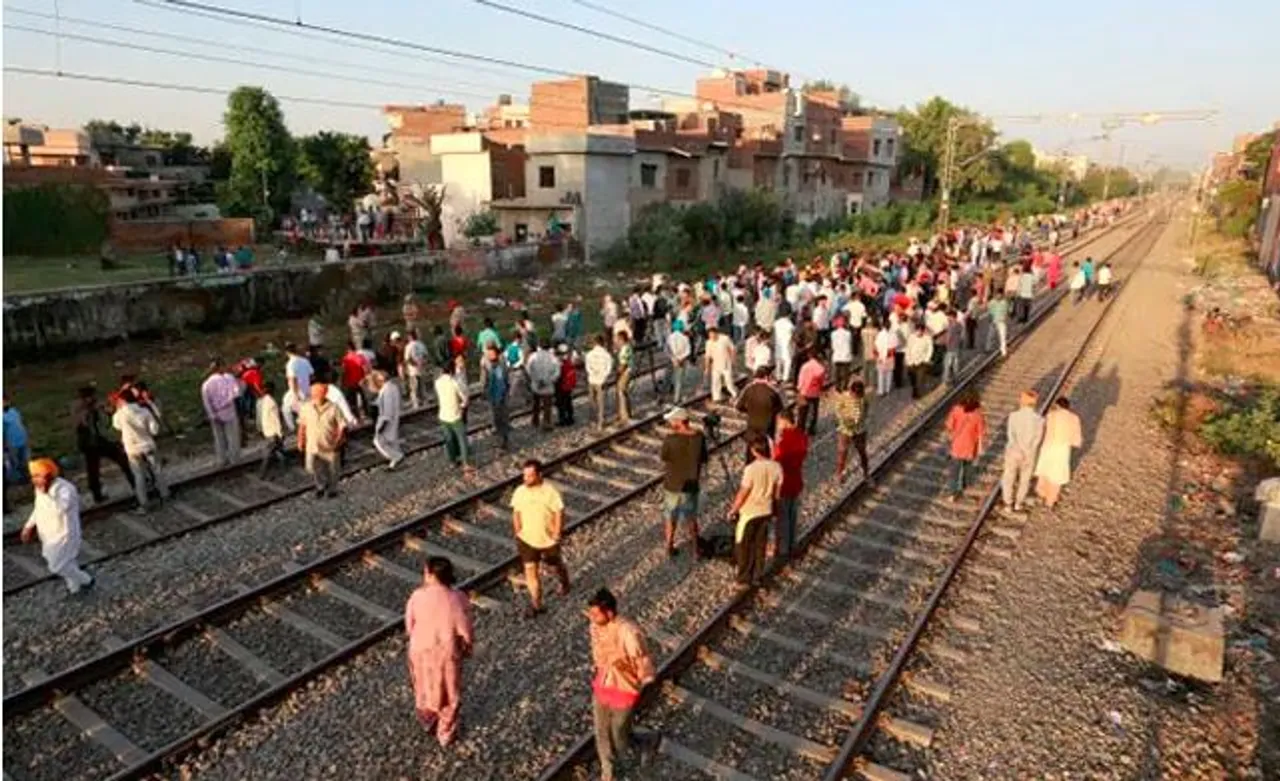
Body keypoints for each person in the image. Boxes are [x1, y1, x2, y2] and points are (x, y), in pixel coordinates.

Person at [587, 587, 657, 781]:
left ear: (609, 612)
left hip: (624, 687)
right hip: (603, 683)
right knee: (601, 731)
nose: (591, 617)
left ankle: (645, 741)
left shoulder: (628, 631)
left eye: (595, 613)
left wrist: (644, 680)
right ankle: (608, 773)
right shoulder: (594, 626)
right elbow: (597, 653)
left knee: (619, 734)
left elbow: (642, 660)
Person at [405, 556, 474, 748]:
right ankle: (445, 731)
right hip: (446, 653)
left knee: (423, 687)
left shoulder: (417, 596)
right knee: (449, 691)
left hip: (420, 650)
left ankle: (427, 720)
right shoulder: (458, 598)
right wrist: (468, 647)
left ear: (430, 574)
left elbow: (409, 626)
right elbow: (465, 629)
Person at [21, 459, 95, 594]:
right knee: (67, 562)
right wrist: (28, 526)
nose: (34, 479)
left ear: (48, 475)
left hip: (64, 534)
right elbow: (38, 509)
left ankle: (86, 580)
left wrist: (46, 492)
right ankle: (75, 589)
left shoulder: (65, 488)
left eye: (38, 476)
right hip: (48, 534)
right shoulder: (39, 490)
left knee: (56, 566)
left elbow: (61, 508)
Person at [511, 459, 570, 617]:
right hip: (526, 539)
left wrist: (557, 532)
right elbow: (516, 511)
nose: (526, 479)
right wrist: (517, 530)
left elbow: (559, 512)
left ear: (539, 475)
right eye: (525, 475)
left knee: (555, 565)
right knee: (530, 571)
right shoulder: (519, 491)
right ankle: (536, 604)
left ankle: (564, 582)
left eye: (530, 476)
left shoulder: (550, 492)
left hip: (548, 539)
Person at [726, 435, 782, 585]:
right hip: (766, 510)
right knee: (760, 544)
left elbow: (743, 493)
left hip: (749, 513)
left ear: (754, 451)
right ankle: (758, 574)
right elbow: (777, 493)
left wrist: (733, 510)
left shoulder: (750, 469)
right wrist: (775, 511)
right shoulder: (777, 467)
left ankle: (744, 575)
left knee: (743, 543)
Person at [659, 407, 708, 558]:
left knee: (670, 516)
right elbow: (704, 458)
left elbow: (664, 457)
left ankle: (669, 546)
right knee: (691, 519)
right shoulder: (699, 438)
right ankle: (695, 549)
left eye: (672, 420)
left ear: (680, 422)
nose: (670, 422)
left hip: (672, 484)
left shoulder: (670, 439)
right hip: (691, 485)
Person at [72, 386, 134, 504]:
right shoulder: (81, 409)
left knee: (96, 468)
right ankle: (98, 494)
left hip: (96, 441)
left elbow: (107, 416)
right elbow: (84, 423)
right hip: (91, 442)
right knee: (95, 469)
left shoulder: (88, 406)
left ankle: (98, 495)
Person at [111, 389, 167, 512]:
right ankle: (165, 494)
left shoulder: (120, 414)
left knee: (138, 476)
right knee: (157, 470)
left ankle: (144, 503)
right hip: (148, 445)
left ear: (123, 400)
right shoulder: (144, 411)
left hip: (132, 449)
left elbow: (116, 426)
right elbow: (154, 430)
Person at [297, 382, 346, 498]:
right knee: (312, 467)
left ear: (325, 394)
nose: (315, 395)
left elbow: (342, 426)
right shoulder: (306, 407)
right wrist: (300, 439)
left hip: (330, 444)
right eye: (313, 393)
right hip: (313, 445)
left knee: (333, 469)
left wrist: (338, 440)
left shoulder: (334, 408)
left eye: (318, 393)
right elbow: (302, 425)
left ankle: (332, 489)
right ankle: (321, 486)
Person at [771, 409, 808, 558]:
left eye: (778, 422)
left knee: (782, 517)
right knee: (793, 514)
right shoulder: (802, 436)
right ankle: (792, 544)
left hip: (783, 483)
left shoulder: (783, 440)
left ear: (784, 421)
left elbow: (777, 460)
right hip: (796, 480)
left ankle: (783, 549)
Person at [1034, 397, 1083, 509]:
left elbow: (1045, 430)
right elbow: (1076, 439)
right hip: (1062, 449)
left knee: (1045, 470)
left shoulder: (1051, 415)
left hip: (1048, 446)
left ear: (1057, 406)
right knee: (1057, 474)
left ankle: (1042, 492)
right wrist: (1075, 443)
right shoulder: (1074, 418)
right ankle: (1050, 501)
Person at [1002, 390, 1045, 514]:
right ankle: (1018, 503)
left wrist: (1018, 449)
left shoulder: (1013, 416)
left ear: (1022, 401)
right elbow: (1038, 439)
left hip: (1014, 451)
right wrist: (1028, 450)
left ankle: (1008, 503)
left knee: (1009, 477)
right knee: (1025, 479)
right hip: (1029, 454)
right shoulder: (1040, 420)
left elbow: (1011, 436)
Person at [944, 391, 987, 501]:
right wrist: (981, 447)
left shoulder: (956, 410)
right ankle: (965, 484)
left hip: (957, 445)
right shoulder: (978, 414)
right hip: (971, 446)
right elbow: (981, 433)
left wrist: (950, 436)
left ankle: (952, 493)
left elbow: (949, 426)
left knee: (954, 470)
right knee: (968, 466)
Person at [202, 361, 243, 467]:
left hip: (215, 412)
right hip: (229, 409)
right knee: (232, 435)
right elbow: (237, 392)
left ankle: (222, 459)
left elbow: (206, 402)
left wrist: (212, 414)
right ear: (220, 367)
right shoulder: (228, 378)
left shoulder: (206, 384)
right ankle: (234, 458)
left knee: (219, 438)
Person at [735, 367, 783, 457]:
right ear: (766, 377)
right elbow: (780, 409)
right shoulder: (772, 391)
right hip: (767, 427)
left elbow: (738, 406)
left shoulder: (748, 389)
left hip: (752, 426)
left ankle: (750, 466)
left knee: (751, 450)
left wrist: (748, 411)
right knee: (766, 451)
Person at [435, 367, 470, 471]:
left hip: (443, 415)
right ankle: (465, 463)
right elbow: (465, 398)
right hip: (455, 415)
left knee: (448, 439)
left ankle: (452, 461)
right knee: (462, 440)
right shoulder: (455, 382)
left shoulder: (437, 382)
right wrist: (463, 405)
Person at [480, 343, 512, 450]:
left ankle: (504, 439)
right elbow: (484, 379)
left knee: (503, 417)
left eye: (492, 353)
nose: (490, 356)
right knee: (496, 418)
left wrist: (507, 388)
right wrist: (484, 390)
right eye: (488, 354)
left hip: (502, 394)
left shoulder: (502, 363)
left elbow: (506, 377)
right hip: (493, 395)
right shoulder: (486, 365)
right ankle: (500, 438)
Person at [371, 371, 405, 470]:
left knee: (378, 441)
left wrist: (383, 425)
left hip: (387, 420)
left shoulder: (387, 390)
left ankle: (397, 457)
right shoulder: (392, 387)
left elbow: (388, 408)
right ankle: (394, 464)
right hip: (393, 418)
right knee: (393, 442)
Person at [257, 381, 288, 477]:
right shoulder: (272, 402)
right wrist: (280, 433)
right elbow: (276, 419)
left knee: (276, 451)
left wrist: (260, 429)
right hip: (273, 432)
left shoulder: (260, 401)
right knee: (270, 452)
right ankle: (263, 473)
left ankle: (281, 470)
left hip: (267, 431)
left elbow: (259, 417)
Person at [527, 340, 559, 431]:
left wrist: (535, 378)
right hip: (548, 385)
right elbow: (557, 372)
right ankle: (546, 423)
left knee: (536, 404)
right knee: (547, 406)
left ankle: (535, 420)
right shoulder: (553, 358)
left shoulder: (533, 356)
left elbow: (529, 368)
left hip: (536, 384)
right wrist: (548, 381)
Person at [702, 325, 738, 404]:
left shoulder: (725, 339)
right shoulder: (708, 343)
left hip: (726, 364)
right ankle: (716, 398)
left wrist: (733, 361)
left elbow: (732, 349)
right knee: (715, 383)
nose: (712, 337)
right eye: (710, 336)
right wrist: (707, 368)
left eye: (713, 335)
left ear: (716, 333)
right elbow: (707, 356)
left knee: (729, 382)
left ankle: (735, 395)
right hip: (716, 365)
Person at [585, 334, 614, 431]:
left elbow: (588, 367)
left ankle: (592, 420)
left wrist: (593, 373)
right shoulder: (606, 355)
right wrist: (603, 376)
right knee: (601, 401)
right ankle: (600, 422)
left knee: (592, 400)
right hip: (601, 380)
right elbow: (609, 368)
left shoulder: (589, 354)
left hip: (592, 379)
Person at [795, 351, 826, 435]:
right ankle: (811, 429)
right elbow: (821, 382)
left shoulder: (805, 366)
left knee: (802, 412)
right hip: (815, 393)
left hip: (804, 392)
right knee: (814, 412)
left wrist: (799, 389)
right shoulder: (821, 368)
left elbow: (800, 380)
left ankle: (800, 429)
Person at [4, 394, 30, 490]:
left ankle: (26, 477)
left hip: (22, 440)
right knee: (14, 462)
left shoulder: (14, 411)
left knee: (25, 460)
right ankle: (17, 481)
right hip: (11, 443)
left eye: (6, 401)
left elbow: (20, 423)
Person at [339, 341, 370, 421]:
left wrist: (342, 383)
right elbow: (366, 368)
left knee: (353, 401)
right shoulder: (360, 356)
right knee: (364, 399)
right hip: (361, 382)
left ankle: (357, 417)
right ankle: (367, 414)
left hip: (350, 383)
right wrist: (365, 378)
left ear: (347, 349)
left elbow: (344, 371)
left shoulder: (346, 358)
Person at [905, 321, 934, 400]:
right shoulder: (911, 337)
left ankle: (918, 394)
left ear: (923, 331)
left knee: (920, 379)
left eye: (920, 330)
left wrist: (926, 359)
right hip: (912, 361)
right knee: (913, 379)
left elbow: (930, 349)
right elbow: (908, 349)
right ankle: (915, 390)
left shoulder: (927, 338)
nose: (919, 332)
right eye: (917, 330)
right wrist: (908, 360)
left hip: (922, 362)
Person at [665, 320, 692, 404]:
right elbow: (688, 351)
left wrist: (673, 358)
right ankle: (676, 399)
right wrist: (680, 359)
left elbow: (666, 350)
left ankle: (665, 392)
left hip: (672, 360)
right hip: (681, 360)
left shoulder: (669, 337)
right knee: (679, 380)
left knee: (668, 377)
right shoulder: (685, 338)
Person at [403, 329, 430, 409]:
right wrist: (422, 363)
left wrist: (415, 365)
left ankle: (416, 404)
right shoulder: (422, 344)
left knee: (414, 388)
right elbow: (426, 356)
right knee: (422, 387)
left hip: (413, 371)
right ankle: (425, 402)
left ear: (410, 336)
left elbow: (407, 359)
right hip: (422, 369)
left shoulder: (408, 346)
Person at [555, 344, 578, 427]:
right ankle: (570, 418)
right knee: (568, 401)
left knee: (561, 403)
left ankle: (562, 420)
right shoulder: (570, 361)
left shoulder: (560, 362)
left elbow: (557, 374)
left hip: (561, 385)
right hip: (568, 385)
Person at [615, 330, 634, 424]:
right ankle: (627, 413)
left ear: (621, 339)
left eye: (617, 339)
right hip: (628, 371)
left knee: (621, 392)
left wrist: (618, 372)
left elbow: (623, 364)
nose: (616, 341)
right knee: (624, 392)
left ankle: (624, 415)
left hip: (626, 372)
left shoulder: (625, 349)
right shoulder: (627, 347)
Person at [830, 317, 854, 390]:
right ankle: (845, 386)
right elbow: (850, 343)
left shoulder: (833, 334)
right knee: (846, 373)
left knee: (837, 373)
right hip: (846, 356)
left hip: (837, 356)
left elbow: (833, 345)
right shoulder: (848, 333)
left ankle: (838, 387)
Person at [986, 291, 1010, 358]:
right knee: (991, 335)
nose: (998, 296)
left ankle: (1004, 351)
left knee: (1003, 337)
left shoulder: (1004, 303)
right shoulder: (992, 302)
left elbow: (1007, 312)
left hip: (1001, 322)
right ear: (995, 295)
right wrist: (990, 320)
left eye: (1000, 295)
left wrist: (1005, 318)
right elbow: (989, 311)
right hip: (994, 322)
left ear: (1002, 295)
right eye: (997, 295)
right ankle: (988, 348)